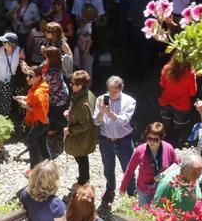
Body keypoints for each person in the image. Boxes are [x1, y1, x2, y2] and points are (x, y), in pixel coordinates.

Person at [93, 75, 137, 206]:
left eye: (115, 91)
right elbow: (96, 121)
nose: (111, 94)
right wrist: (101, 112)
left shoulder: (129, 101)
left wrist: (108, 112)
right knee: (108, 168)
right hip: (106, 141)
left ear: (121, 89)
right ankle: (110, 189)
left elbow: (124, 121)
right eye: (109, 91)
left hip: (123, 141)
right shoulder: (101, 99)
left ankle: (131, 193)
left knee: (128, 169)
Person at [119, 122, 179, 207]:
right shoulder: (140, 150)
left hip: (162, 188)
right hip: (144, 189)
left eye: (155, 139)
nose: (152, 142)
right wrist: (123, 188)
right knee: (143, 212)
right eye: (149, 138)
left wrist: (163, 175)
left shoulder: (169, 148)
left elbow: (176, 166)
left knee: (158, 211)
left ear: (161, 138)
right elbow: (130, 170)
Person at [64, 71, 98, 187]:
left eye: (72, 83)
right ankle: (84, 179)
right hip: (84, 136)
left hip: (82, 137)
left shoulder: (83, 104)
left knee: (81, 157)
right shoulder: (87, 93)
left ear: (80, 85)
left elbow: (85, 124)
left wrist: (70, 130)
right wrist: (71, 113)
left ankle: (83, 182)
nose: (70, 85)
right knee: (82, 157)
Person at [14, 66, 51, 167]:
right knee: (42, 143)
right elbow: (34, 101)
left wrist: (27, 106)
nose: (28, 78)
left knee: (32, 141)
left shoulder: (38, 92)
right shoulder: (40, 86)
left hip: (39, 122)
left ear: (39, 77)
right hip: (45, 122)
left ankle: (34, 168)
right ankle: (49, 165)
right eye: (27, 75)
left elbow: (41, 112)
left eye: (31, 76)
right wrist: (24, 98)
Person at [158, 56, 197, 147]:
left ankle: (163, 144)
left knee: (165, 127)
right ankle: (172, 148)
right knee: (176, 131)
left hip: (166, 102)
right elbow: (193, 93)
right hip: (182, 107)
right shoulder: (190, 73)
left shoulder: (167, 68)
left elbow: (162, 85)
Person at [115, 0, 143, 68]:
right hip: (137, 0)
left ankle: (125, 43)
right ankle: (132, 42)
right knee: (135, 22)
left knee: (123, 23)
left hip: (125, 1)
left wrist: (116, 2)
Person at [41, 46, 69, 138]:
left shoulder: (51, 73)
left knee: (55, 115)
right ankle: (55, 128)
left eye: (47, 56)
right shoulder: (56, 65)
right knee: (58, 113)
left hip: (57, 98)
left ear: (50, 58)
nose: (45, 58)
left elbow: (39, 79)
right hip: (62, 94)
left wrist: (28, 71)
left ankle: (65, 128)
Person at [74, 4, 97, 77]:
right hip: (80, 48)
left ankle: (87, 86)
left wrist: (86, 51)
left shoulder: (92, 25)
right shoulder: (82, 24)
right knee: (80, 69)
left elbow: (91, 39)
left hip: (87, 51)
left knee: (87, 69)